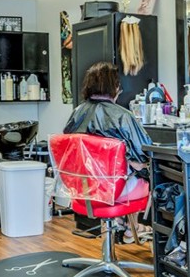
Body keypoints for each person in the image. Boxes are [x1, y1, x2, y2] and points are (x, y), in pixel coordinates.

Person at [63, 61, 152, 202]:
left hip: (81, 188)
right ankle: (128, 223)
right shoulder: (122, 116)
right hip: (115, 190)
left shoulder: (77, 113)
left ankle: (124, 224)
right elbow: (142, 158)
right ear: (115, 87)